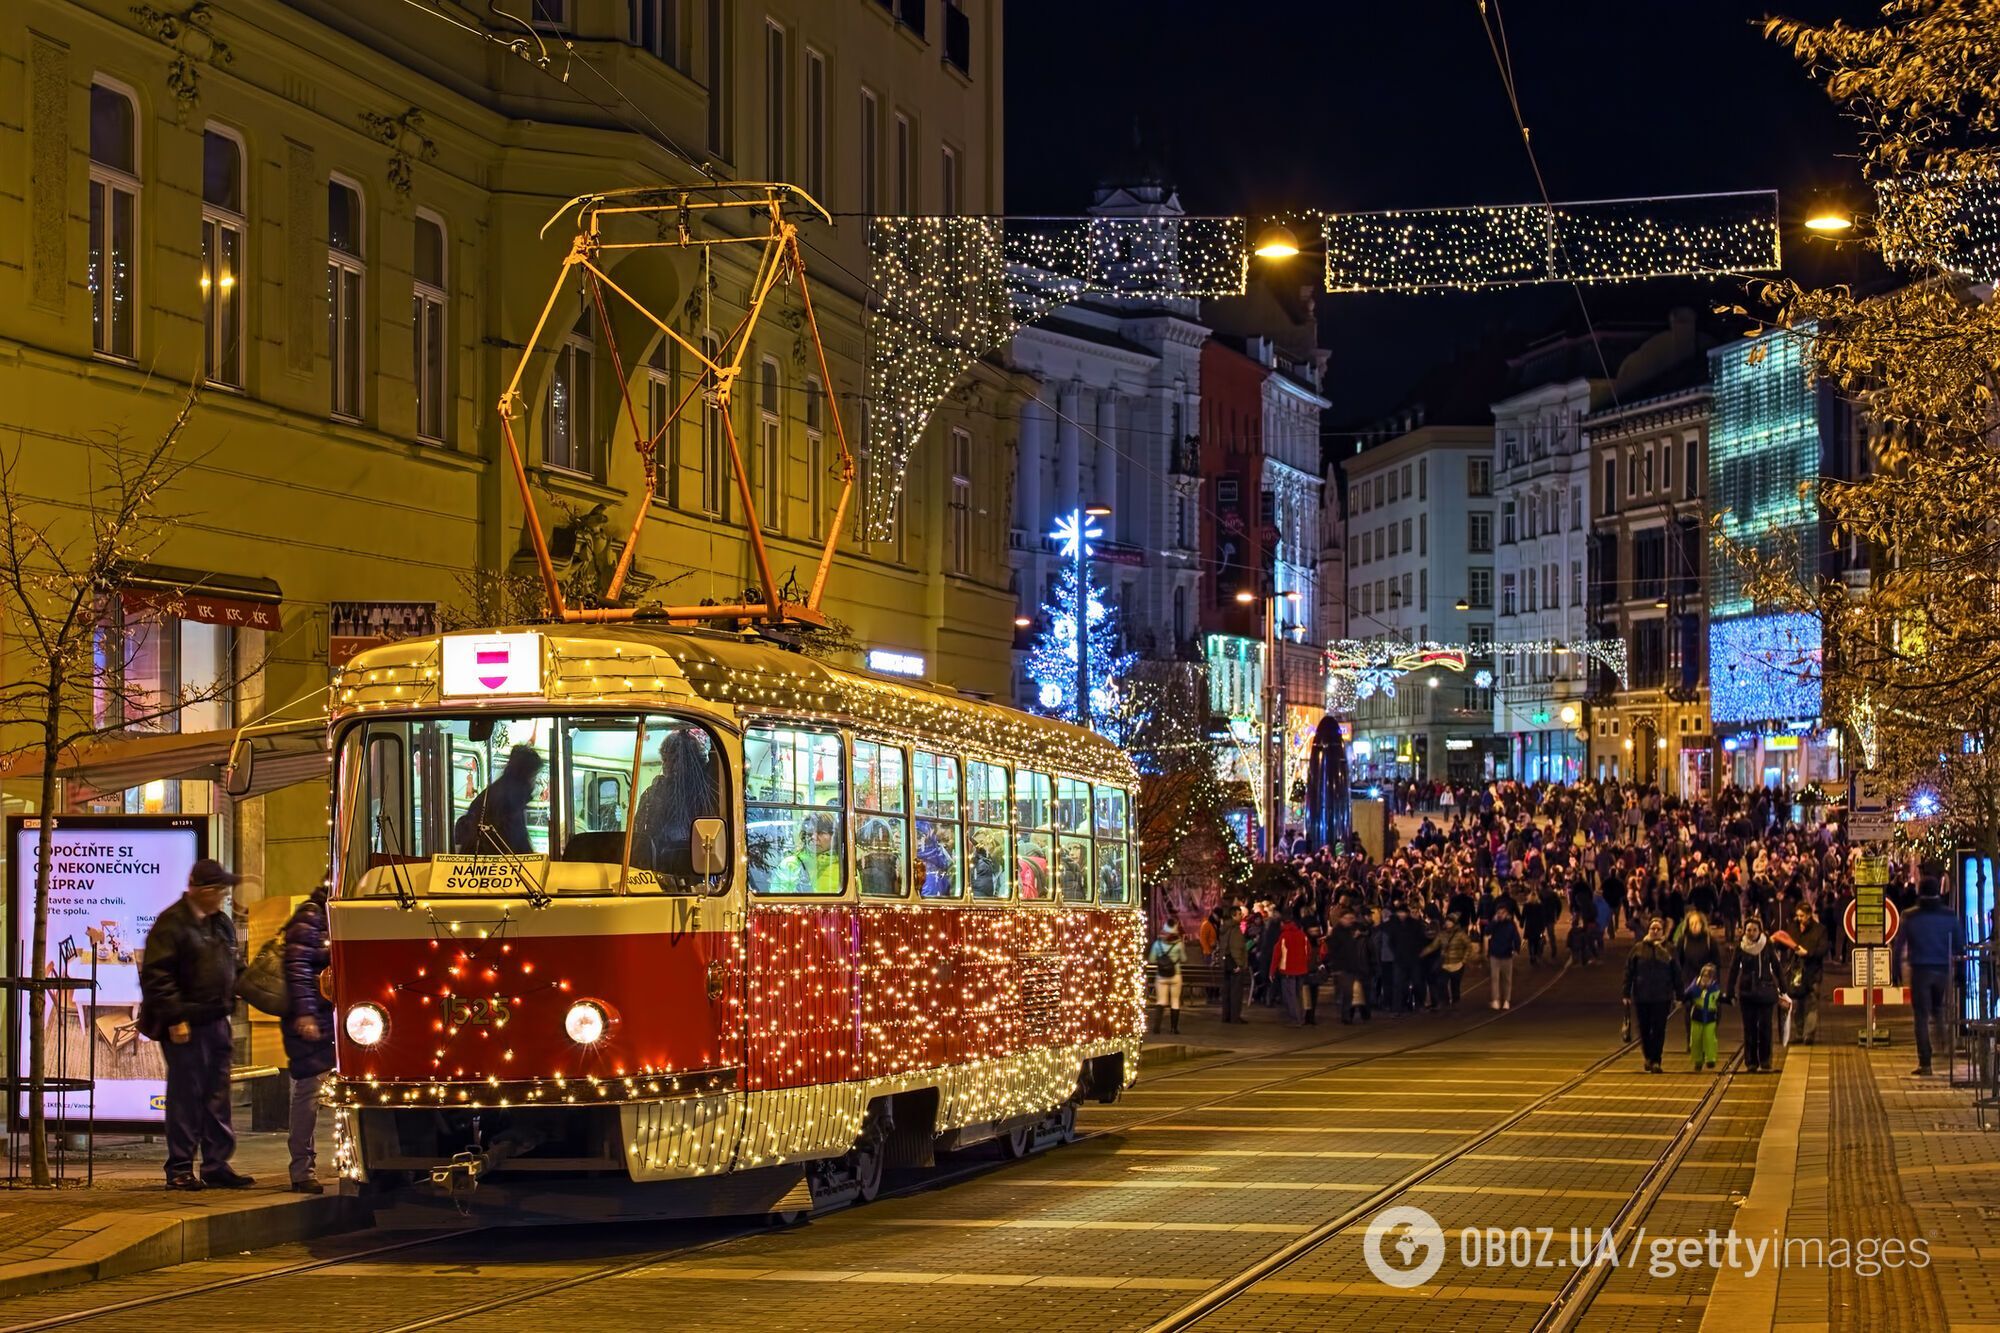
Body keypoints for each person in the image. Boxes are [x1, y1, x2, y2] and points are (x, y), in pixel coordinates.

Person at [138, 859, 253, 1191]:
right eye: (220, 891)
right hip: (186, 1023)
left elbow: (234, 966)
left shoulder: (220, 923)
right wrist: (175, 1018)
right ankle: (180, 1167)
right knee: (186, 1096)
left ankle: (216, 1164)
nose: (225, 897)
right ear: (203, 890)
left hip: (217, 1018)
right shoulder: (172, 923)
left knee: (217, 1093)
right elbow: (157, 977)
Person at [281, 879, 335, 1193]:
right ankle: (302, 1170)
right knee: (309, 1091)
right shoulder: (312, 916)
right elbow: (297, 967)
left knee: (313, 1091)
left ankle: (307, 1168)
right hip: (313, 1018)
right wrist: (305, 1014)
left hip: (328, 1016)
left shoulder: (328, 914)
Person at [632, 729, 719, 877]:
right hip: (658, 869)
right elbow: (640, 837)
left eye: (676, 759)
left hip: (699, 868)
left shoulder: (706, 790)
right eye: (665, 759)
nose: (668, 765)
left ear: (693, 761)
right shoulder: (653, 793)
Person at [1905, 879, 1960, 1076]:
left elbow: (1900, 944)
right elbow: (1959, 944)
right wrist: (1961, 973)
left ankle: (1925, 1062)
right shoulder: (1949, 916)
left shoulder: (1911, 916)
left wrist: (1895, 972)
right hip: (1942, 970)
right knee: (1938, 1010)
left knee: (1921, 1016)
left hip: (1920, 971)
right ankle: (1944, 1046)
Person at [454, 745, 543, 854]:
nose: (534, 783)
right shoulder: (511, 800)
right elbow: (519, 845)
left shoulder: (491, 794)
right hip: (494, 859)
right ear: (525, 775)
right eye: (534, 776)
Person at [1623, 915, 1680, 1074]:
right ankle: (1648, 1056)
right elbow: (1629, 971)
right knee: (1644, 1028)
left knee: (1659, 1029)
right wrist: (1626, 993)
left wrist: (1679, 994)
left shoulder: (1669, 949)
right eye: (1652, 928)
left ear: (1663, 931)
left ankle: (1656, 1060)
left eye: (1658, 929)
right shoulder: (1638, 948)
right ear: (1648, 930)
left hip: (1662, 996)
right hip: (1642, 996)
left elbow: (1676, 972)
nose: (1655, 931)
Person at [1727, 915, 1783, 1073]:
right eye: (1748, 930)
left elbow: (1776, 966)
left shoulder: (1767, 945)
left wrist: (1783, 987)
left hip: (1765, 991)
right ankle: (1751, 1062)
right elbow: (1733, 969)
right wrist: (1730, 991)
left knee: (1765, 1027)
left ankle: (1765, 1060)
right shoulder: (1741, 947)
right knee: (1749, 1028)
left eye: (1754, 930)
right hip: (1747, 993)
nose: (1751, 933)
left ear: (1760, 931)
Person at [1785, 901, 1827, 1045]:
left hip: (1812, 972)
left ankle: (1808, 1035)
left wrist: (1808, 953)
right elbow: (1786, 942)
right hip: (1797, 973)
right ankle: (1799, 1033)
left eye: (1802, 916)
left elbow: (1823, 949)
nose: (1799, 918)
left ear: (1809, 915)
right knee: (1798, 1004)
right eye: (1797, 916)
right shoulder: (1793, 927)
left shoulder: (1820, 930)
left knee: (1811, 1003)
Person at [777, 811, 843, 895]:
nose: (813, 837)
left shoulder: (845, 867)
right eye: (810, 833)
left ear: (834, 836)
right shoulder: (790, 865)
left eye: (821, 832)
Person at [1272, 908, 1311, 1025]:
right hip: (1301, 970)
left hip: (1288, 970)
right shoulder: (1302, 935)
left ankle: (1295, 1019)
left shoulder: (1284, 936)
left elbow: (1277, 954)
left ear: (1282, 923)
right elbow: (1308, 951)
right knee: (1299, 994)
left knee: (1290, 995)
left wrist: (1272, 971)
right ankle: (1302, 1017)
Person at [1686, 962, 1724, 1072]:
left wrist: (1730, 999)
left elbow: (1721, 998)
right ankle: (1698, 1060)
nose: (1706, 980)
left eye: (1709, 978)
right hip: (1697, 1017)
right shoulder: (1694, 987)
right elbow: (1687, 995)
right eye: (1704, 977)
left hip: (1710, 1018)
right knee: (1696, 1039)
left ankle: (1710, 1059)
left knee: (1709, 1039)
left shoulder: (1715, 989)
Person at [1148, 921, 1186, 1034]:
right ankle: (1174, 1028)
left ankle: (1157, 1027)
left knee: (1161, 1001)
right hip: (1176, 975)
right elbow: (1184, 959)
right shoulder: (1179, 944)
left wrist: (1161, 959)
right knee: (1175, 1001)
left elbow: (1151, 959)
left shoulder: (1157, 944)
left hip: (1161, 976)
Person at [1219, 903, 1250, 1024]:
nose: (1241, 916)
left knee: (1227, 991)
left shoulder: (1225, 928)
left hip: (1226, 963)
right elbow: (1236, 948)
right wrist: (1239, 964)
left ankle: (1226, 1016)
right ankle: (1235, 1017)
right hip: (1234, 964)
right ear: (1233, 915)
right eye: (1239, 914)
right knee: (1236, 992)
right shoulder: (1235, 929)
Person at [1486, 900, 1521, 1010]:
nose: (1500, 915)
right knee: (1495, 979)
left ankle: (1506, 1000)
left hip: (1506, 954)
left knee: (1507, 979)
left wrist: (1516, 949)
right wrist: (1494, 922)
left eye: (1503, 912)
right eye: (1499, 912)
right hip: (1495, 954)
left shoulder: (1511, 924)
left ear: (1507, 913)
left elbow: (1516, 937)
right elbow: (1487, 931)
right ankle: (1496, 1000)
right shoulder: (1494, 923)